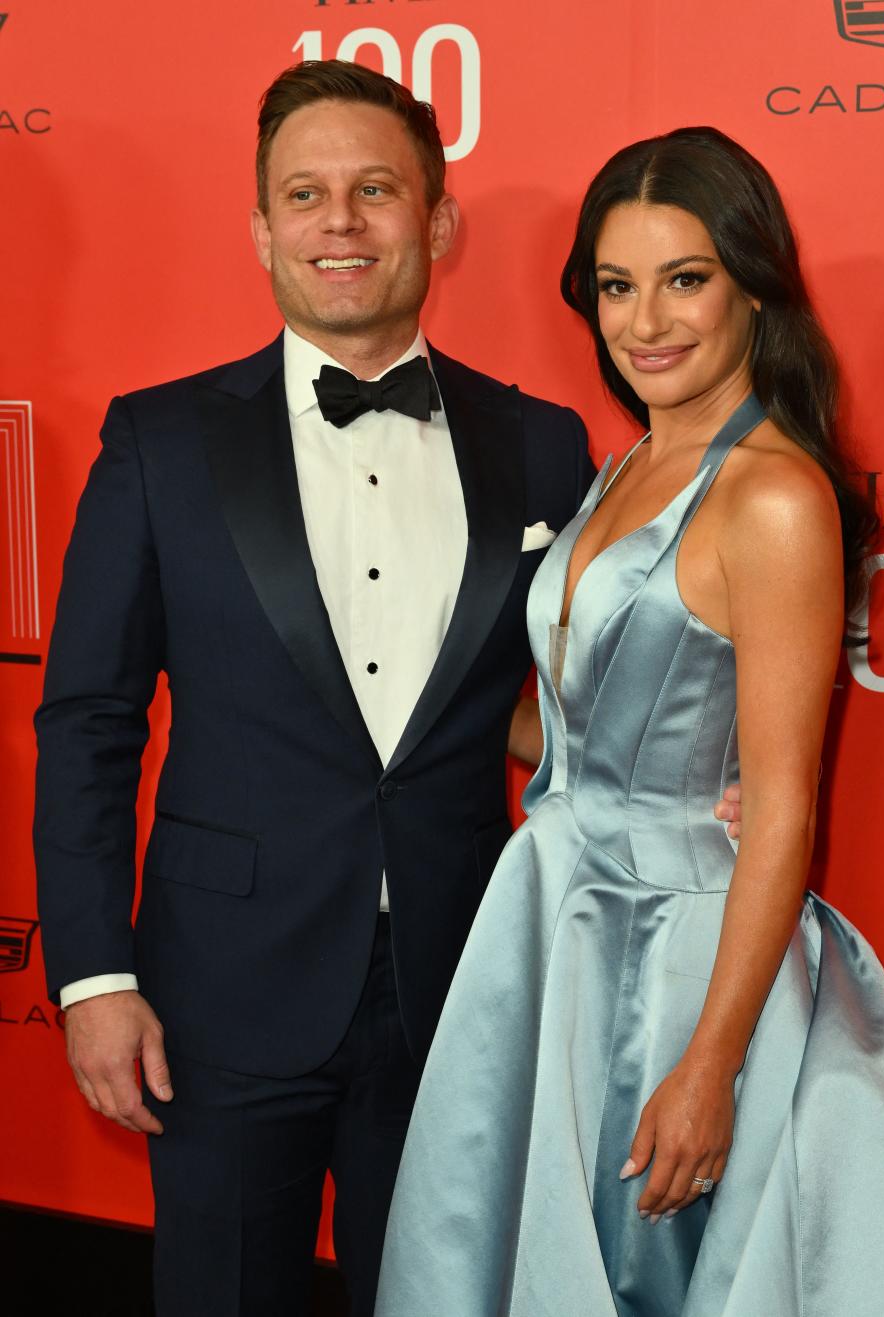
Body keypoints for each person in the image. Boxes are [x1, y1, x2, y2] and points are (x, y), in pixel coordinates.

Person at [32, 62, 743, 1316]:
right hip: (219, 992)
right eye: (305, 195)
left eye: (375, 190)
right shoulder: (159, 443)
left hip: (461, 975)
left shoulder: (543, 443)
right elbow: (88, 722)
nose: (340, 223)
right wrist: (93, 979)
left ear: (438, 221)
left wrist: (675, 779)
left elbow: (547, 701)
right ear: (262, 230)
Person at [374, 128, 884, 1317]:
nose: (646, 321)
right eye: (616, 285)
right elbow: (578, 737)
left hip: (674, 954)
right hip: (557, 913)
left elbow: (785, 807)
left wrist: (710, 1065)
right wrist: (402, 707)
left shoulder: (776, 497)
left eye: (684, 279)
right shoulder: (633, 457)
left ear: (752, 284)